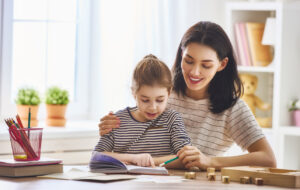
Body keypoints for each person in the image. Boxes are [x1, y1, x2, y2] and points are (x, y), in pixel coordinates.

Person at [98, 21, 276, 170]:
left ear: (222, 64)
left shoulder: (232, 108)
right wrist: (114, 126)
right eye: (189, 61)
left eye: (206, 65)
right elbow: (135, 129)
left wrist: (211, 161)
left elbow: (268, 159)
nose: (195, 72)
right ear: (181, 54)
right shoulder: (164, 93)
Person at [92, 54, 191, 168]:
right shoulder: (117, 120)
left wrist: (150, 161)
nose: (153, 107)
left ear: (169, 93)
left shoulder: (172, 119)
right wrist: (134, 158)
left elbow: (186, 158)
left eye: (160, 100)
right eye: (145, 100)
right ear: (134, 93)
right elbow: (96, 156)